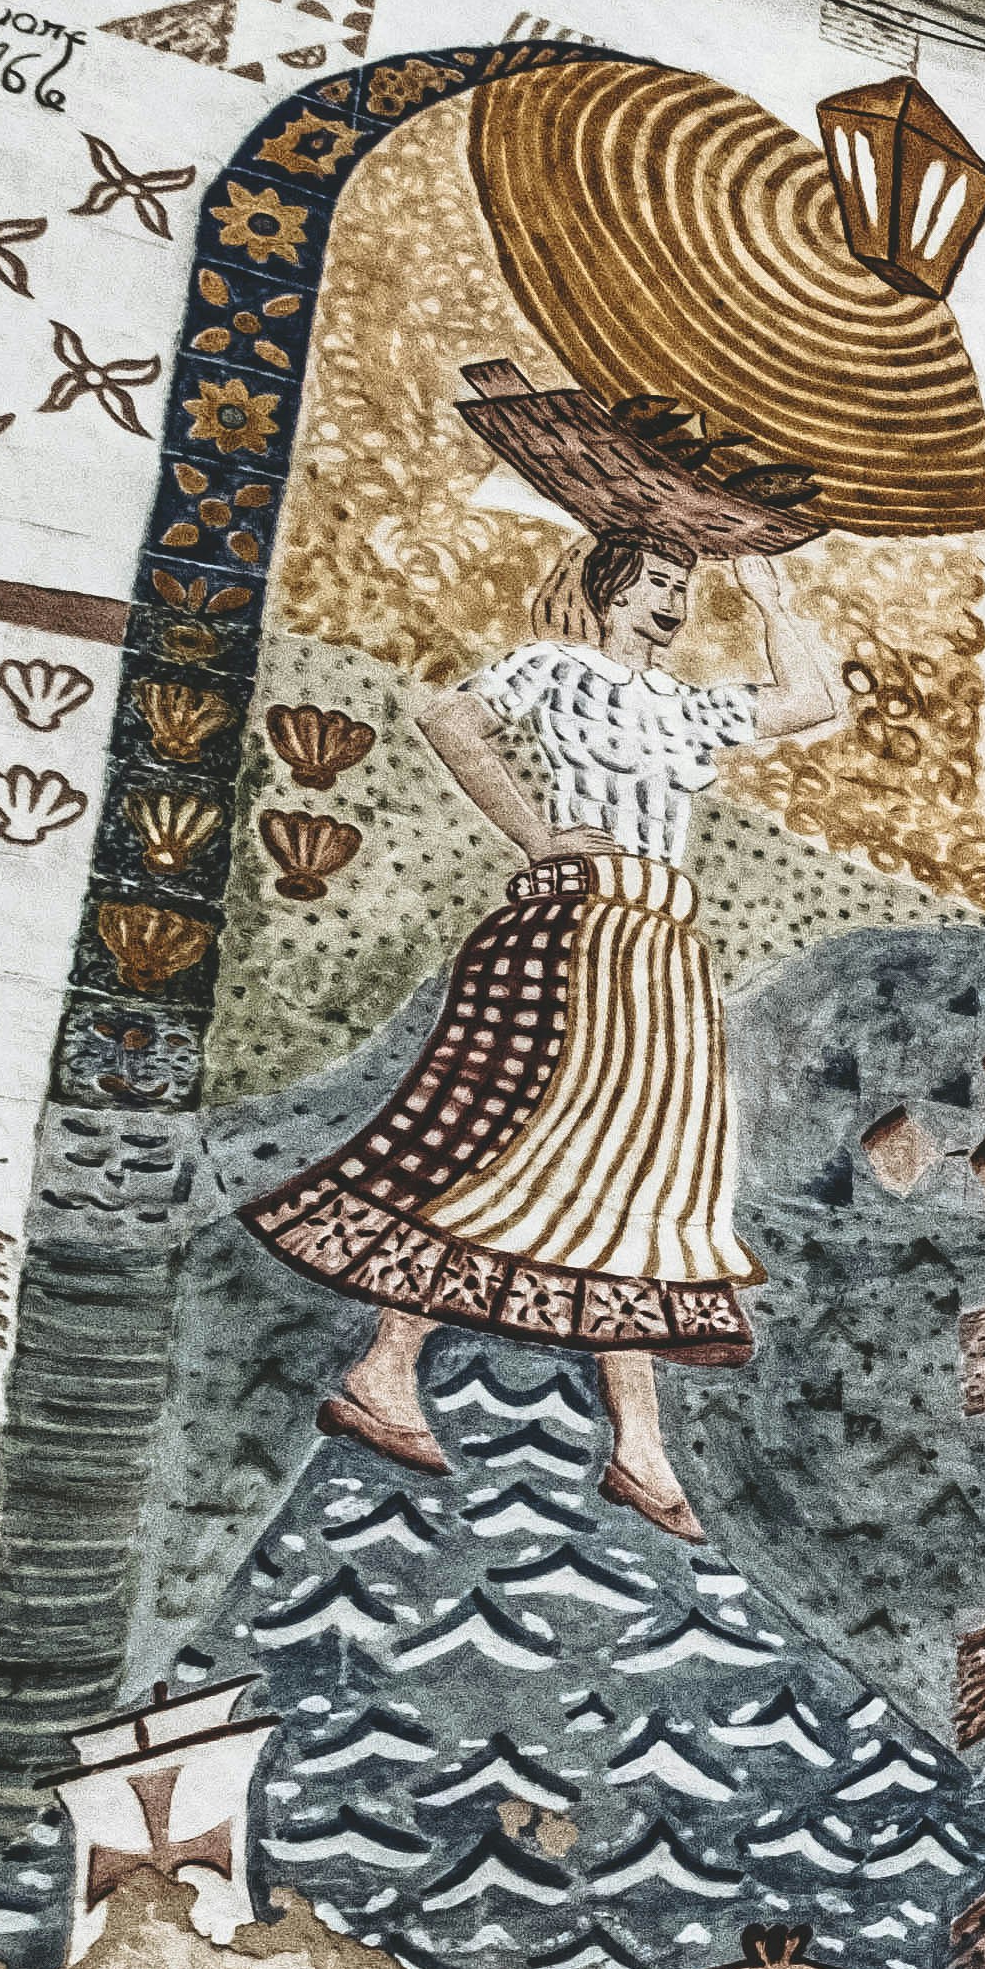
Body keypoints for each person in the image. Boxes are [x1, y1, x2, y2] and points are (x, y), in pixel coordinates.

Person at [248, 402, 846, 1543]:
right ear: (612, 586)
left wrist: (771, 600)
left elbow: (815, 700)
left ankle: (634, 1444)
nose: (674, 601)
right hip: (576, 930)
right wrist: (536, 836)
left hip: (660, 949)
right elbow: (450, 718)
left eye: (684, 584)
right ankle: (396, 1373)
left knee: (643, 1190)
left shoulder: (681, 705)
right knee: (508, 1151)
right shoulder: (561, 670)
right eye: (658, 580)